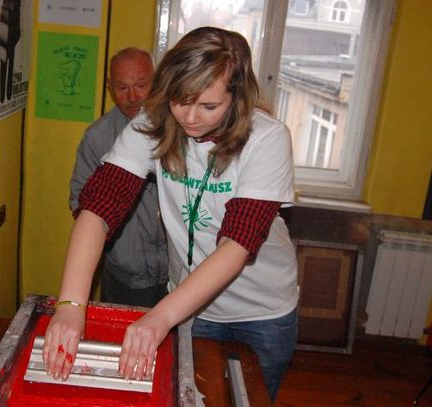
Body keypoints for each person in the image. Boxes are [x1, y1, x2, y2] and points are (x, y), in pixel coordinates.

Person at [44, 26, 298, 402]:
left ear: (238, 97)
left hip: (262, 310)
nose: (190, 118)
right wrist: (70, 306)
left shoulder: (267, 138)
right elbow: (97, 208)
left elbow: (238, 243)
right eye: (180, 100)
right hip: (191, 307)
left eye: (208, 106)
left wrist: (159, 317)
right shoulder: (153, 123)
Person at [69, 47, 168, 307]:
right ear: (110, 87)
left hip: (178, 271)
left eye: (141, 85)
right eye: (122, 87)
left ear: (157, 81)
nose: (133, 97)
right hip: (125, 274)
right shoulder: (97, 137)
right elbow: (80, 201)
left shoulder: (178, 127)